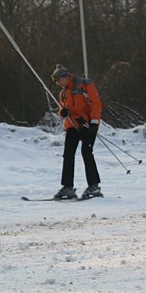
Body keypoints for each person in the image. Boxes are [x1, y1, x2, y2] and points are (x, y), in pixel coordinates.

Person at [51, 64, 103, 200]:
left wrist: (94, 123)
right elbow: (63, 109)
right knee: (68, 155)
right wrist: (62, 113)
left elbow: (95, 103)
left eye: (58, 80)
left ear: (65, 77)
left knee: (86, 153)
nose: (57, 83)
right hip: (72, 126)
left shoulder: (84, 85)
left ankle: (94, 185)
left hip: (87, 125)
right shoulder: (63, 93)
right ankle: (67, 187)